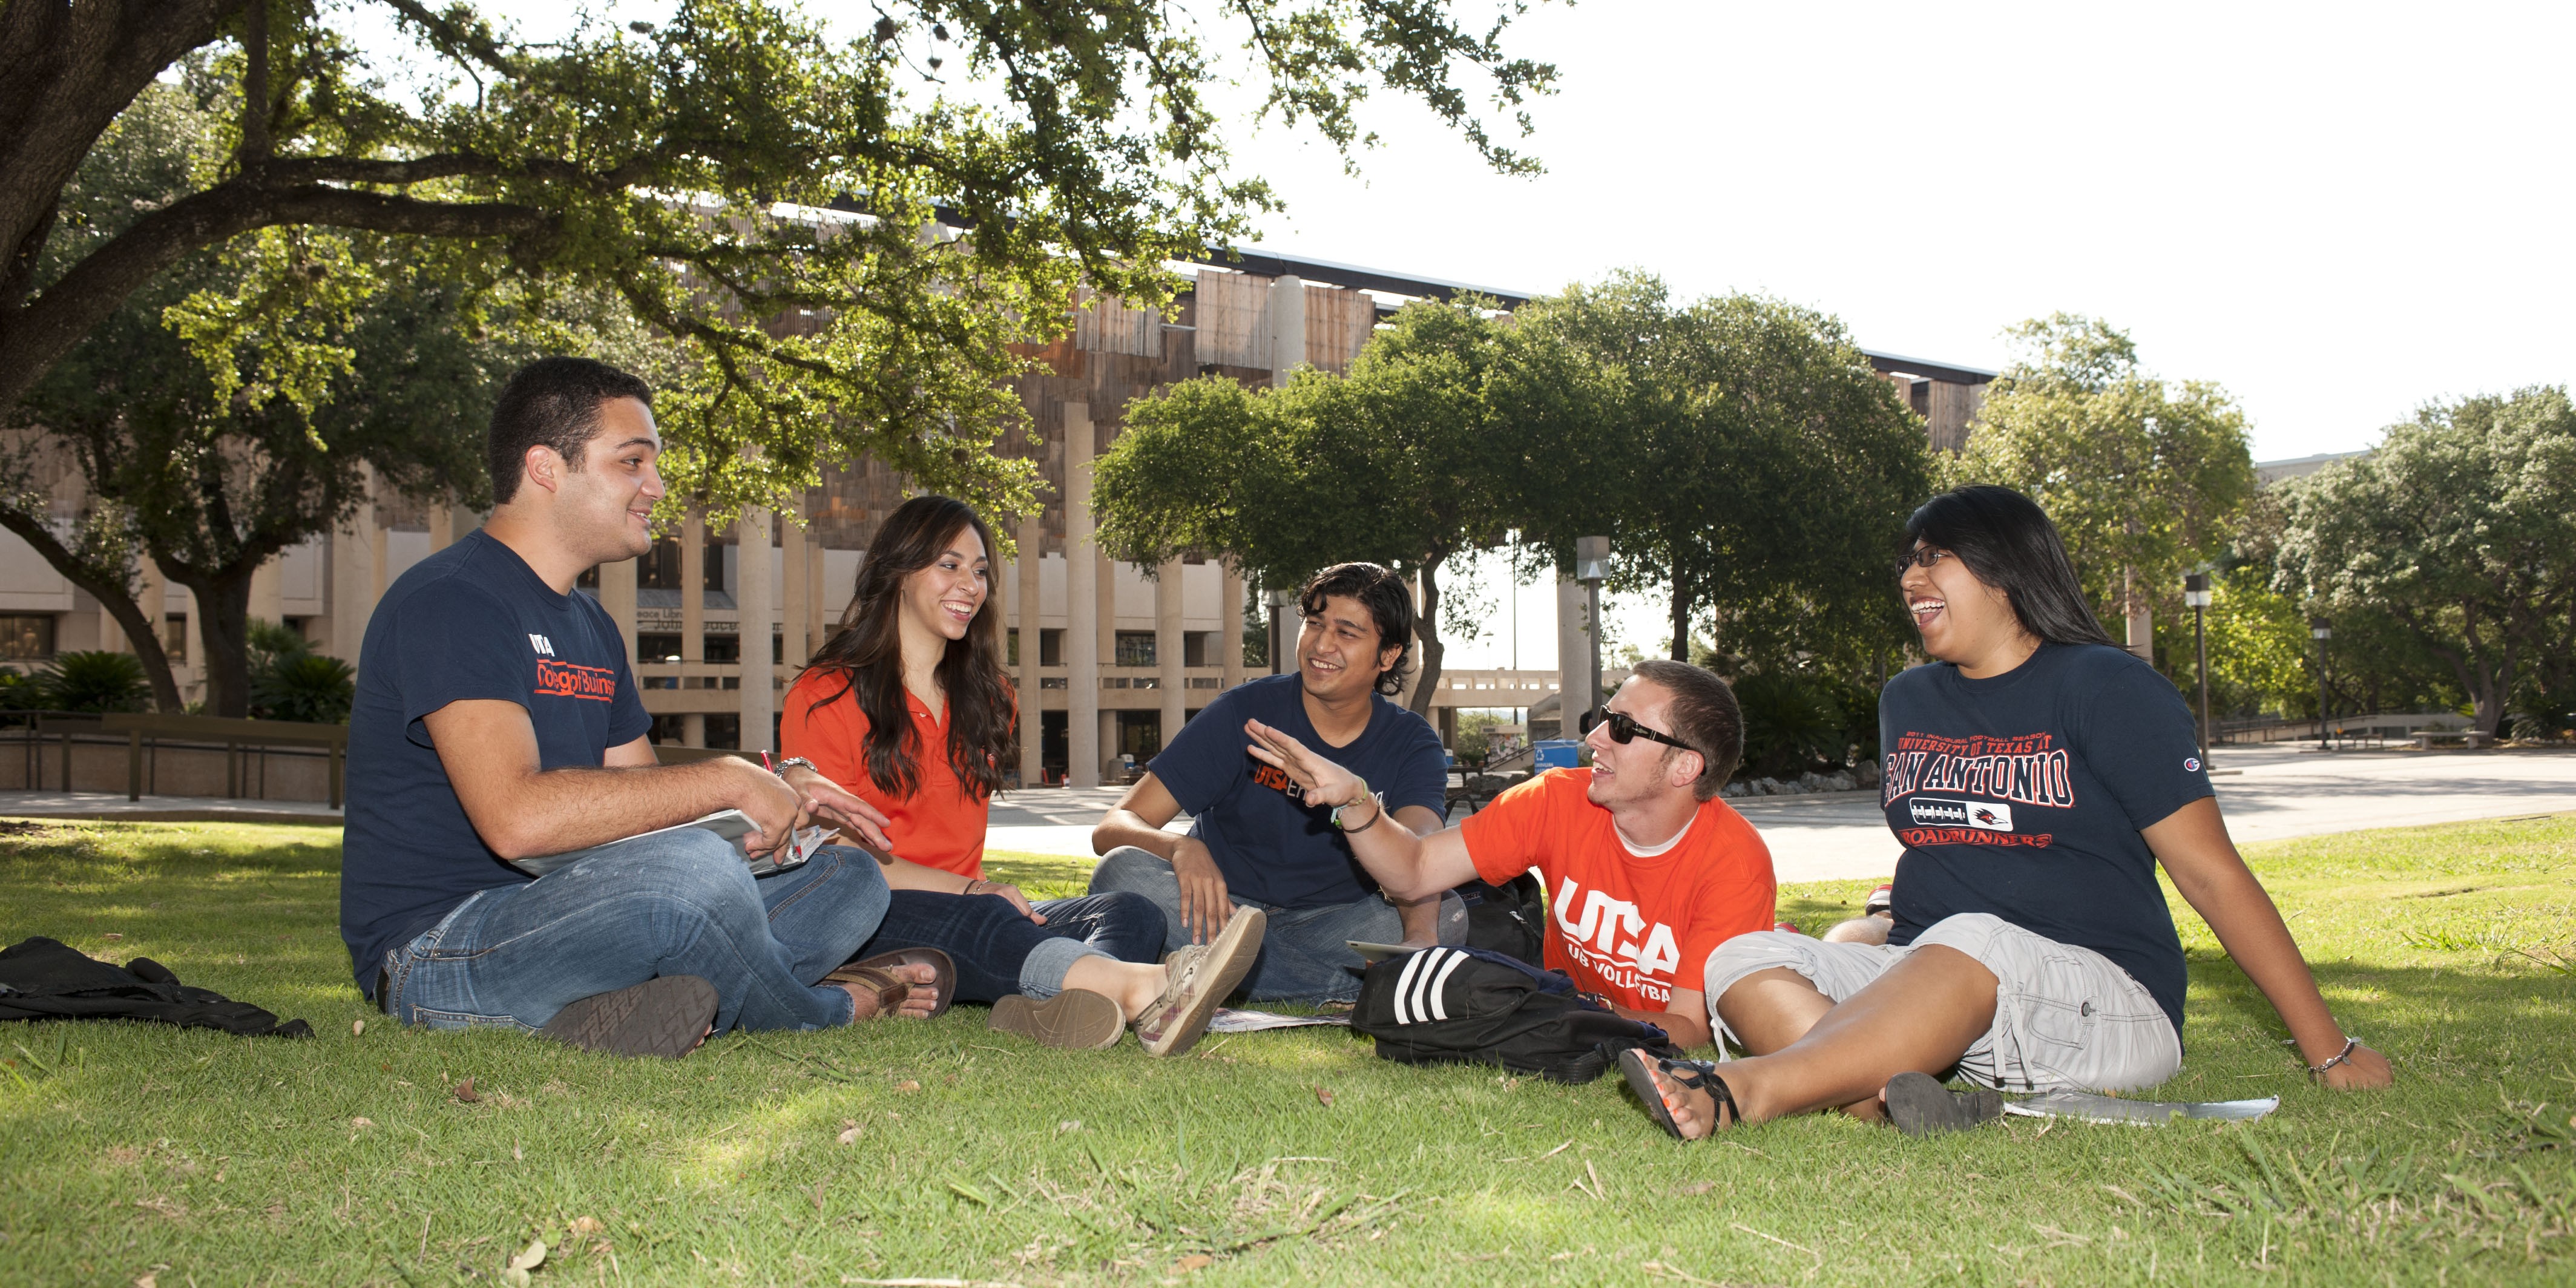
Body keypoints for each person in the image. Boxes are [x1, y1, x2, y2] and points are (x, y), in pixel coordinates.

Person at [1625, 485, 2395, 1141]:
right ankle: (1888, 1103)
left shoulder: (2107, 687)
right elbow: (1947, 847)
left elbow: (2210, 873)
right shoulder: (1908, 698)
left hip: (2104, 1000)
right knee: (1742, 956)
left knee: (1972, 935)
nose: (1909, 576)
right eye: (1906, 561)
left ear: (2005, 569)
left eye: (1933, 556)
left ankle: (1747, 1089)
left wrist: (2328, 1049)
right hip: (1937, 985)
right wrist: (1875, 924)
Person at [341, 356, 941, 1059]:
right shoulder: (452, 601)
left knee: (849, 877)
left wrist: (769, 789)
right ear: (545, 468)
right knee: (689, 878)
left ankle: (621, 1004)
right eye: (633, 462)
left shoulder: (590, 625)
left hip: (590, 904)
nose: (655, 487)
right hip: (441, 949)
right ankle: (827, 1009)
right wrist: (723, 778)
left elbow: (646, 808)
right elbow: (516, 819)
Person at [781, 495, 1263, 1053]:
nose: (970, 585)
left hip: (970, 909)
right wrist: (971, 888)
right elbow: (838, 854)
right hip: (869, 913)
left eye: (980, 571)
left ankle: (1047, 1007)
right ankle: (1145, 990)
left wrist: (976, 891)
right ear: (899, 572)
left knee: (1129, 909)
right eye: (950, 565)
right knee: (986, 917)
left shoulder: (991, 697)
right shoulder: (825, 694)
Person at [1240, 658, 1779, 1048]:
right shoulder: (1556, 799)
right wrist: (1356, 801)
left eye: (1622, 728)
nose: (1595, 737)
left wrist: (1568, 1011)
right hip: (1558, 1012)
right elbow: (1416, 872)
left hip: (1571, 1016)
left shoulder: (1734, 865)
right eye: (1603, 716)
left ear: (1686, 768)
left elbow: (1687, 1029)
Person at [1088, 562, 1460, 1004]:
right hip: (1220, 910)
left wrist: (1418, 941)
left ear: (1388, 655)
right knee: (1120, 872)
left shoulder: (1411, 742)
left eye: (1347, 633)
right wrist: (1182, 848)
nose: (1322, 644)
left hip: (1336, 921)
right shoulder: (1244, 713)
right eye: (1315, 624)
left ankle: (1221, 974)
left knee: (1449, 912)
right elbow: (1113, 825)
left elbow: (1423, 855)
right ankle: (1341, 989)